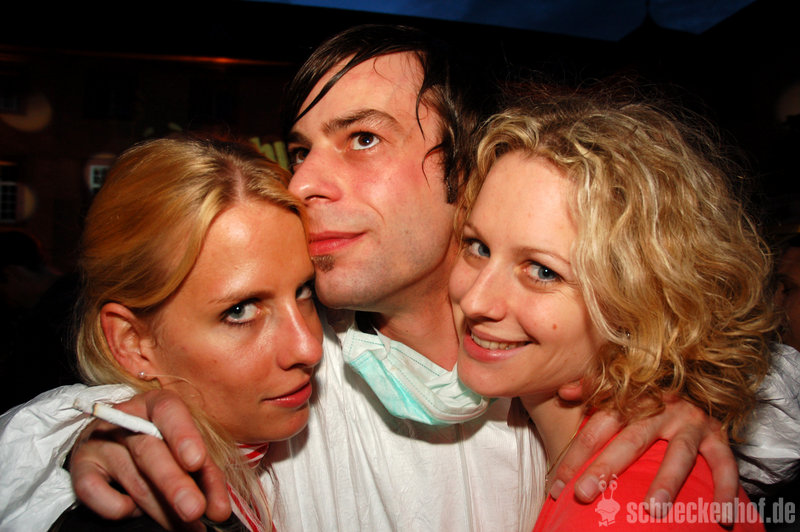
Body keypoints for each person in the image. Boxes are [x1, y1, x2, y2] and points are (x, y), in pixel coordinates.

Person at [0, 25, 794, 531]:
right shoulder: (302, 378)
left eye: (363, 139)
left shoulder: (553, 370)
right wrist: (96, 438)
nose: (303, 182)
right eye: (301, 149)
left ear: (465, 172)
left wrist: (677, 393)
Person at [449, 86, 776, 529]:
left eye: (543, 271)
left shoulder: (639, 504)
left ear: (638, 307)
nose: (475, 300)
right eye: (478, 247)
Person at [3, 135, 324, 531]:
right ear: (133, 343)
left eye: (304, 290)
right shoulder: (141, 512)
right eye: (240, 311)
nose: (308, 347)